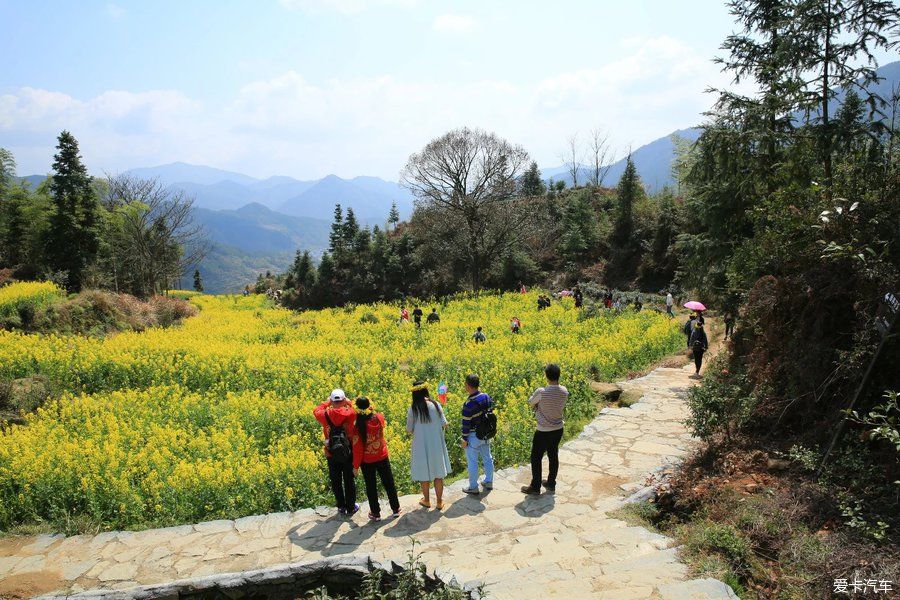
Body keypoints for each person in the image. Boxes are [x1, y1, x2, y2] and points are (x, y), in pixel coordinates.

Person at [522, 364, 568, 495]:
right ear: (559, 375)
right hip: (558, 429)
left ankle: (535, 486)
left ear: (547, 376)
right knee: (553, 455)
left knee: (536, 457)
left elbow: (531, 402)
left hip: (543, 431)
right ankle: (551, 483)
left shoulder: (541, 392)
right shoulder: (564, 391)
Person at [353, 397, 401, 522]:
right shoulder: (379, 418)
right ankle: (396, 509)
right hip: (382, 455)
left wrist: (355, 466)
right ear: (369, 406)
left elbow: (357, 448)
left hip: (367, 460)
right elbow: (376, 415)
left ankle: (375, 513)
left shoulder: (358, 426)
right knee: (389, 482)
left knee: (371, 486)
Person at [313, 389, 359, 516]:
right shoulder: (350, 413)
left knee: (336, 479)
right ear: (343, 400)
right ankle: (351, 507)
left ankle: (341, 507)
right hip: (348, 451)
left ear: (332, 401)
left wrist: (326, 403)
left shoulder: (324, 415)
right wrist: (349, 403)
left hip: (331, 452)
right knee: (349, 480)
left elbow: (316, 410)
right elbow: (360, 409)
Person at [406, 381, 451, 510]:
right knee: (438, 474)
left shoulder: (413, 408)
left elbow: (409, 429)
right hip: (436, 445)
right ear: (426, 391)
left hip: (420, 446)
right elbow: (444, 424)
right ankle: (439, 502)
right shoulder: (436, 405)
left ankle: (426, 500)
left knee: (423, 474)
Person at [460, 374, 495, 495]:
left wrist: (464, 439)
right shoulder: (486, 396)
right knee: (487, 458)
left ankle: (473, 487)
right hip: (486, 433)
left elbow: (466, 424)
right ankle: (489, 481)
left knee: (473, 462)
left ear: (467, 386)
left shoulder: (468, 404)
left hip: (473, 436)